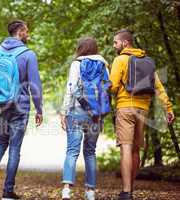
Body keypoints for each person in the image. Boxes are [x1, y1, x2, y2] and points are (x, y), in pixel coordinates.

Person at [0, 20, 43, 200]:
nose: (28, 34)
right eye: (27, 31)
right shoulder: (28, 54)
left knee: (0, 143)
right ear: (20, 32)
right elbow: (35, 84)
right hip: (19, 106)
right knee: (14, 148)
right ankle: (8, 191)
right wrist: (39, 108)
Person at [110, 28, 175, 200]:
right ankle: (131, 188)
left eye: (115, 42)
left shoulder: (120, 59)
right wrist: (168, 108)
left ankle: (125, 192)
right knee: (136, 150)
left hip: (125, 108)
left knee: (125, 148)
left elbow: (113, 86)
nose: (114, 45)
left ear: (125, 42)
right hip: (143, 110)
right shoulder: (148, 62)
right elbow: (158, 87)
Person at [60, 37, 111, 200]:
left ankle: (66, 189)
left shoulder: (77, 64)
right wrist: (102, 115)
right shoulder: (103, 65)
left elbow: (71, 87)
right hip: (95, 115)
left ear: (80, 48)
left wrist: (63, 111)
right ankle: (90, 192)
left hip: (76, 112)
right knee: (90, 153)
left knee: (72, 151)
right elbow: (107, 90)